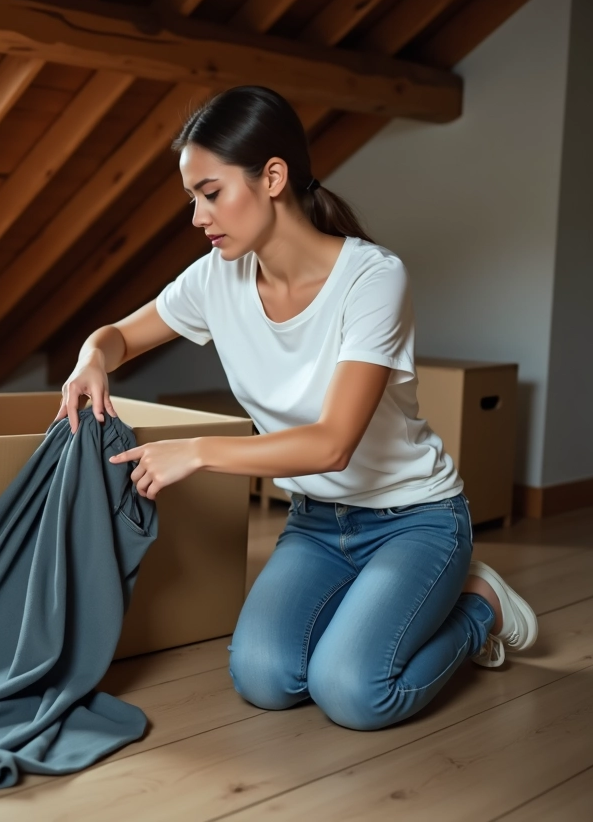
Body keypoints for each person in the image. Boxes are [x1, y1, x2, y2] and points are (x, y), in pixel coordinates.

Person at [52, 85, 537, 732]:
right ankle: (376, 612)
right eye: (193, 198)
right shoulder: (214, 279)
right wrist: (91, 359)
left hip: (414, 521)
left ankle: (479, 606)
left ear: (273, 177)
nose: (198, 217)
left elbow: (332, 443)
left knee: (354, 693)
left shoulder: (372, 279)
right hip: (316, 524)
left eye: (211, 192)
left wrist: (196, 451)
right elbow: (118, 336)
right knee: (263, 678)